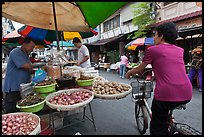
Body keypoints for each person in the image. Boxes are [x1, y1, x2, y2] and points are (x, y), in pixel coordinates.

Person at [126, 22, 192, 135]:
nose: (154, 38)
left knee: (157, 128)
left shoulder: (153, 50)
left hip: (165, 94)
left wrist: (129, 72)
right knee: (165, 118)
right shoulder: (179, 50)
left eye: (155, 34)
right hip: (186, 92)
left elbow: (139, 69)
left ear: (161, 36)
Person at [3, 37, 35, 113]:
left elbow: (29, 69)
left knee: (21, 110)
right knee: (12, 111)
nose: (32, 49)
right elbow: (24, 65)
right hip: (13, 88)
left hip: (22, 88)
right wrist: (40, 65)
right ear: (24, 44)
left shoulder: (26, 55)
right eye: (31, 47)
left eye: (33, 47)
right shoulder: (15, 52)